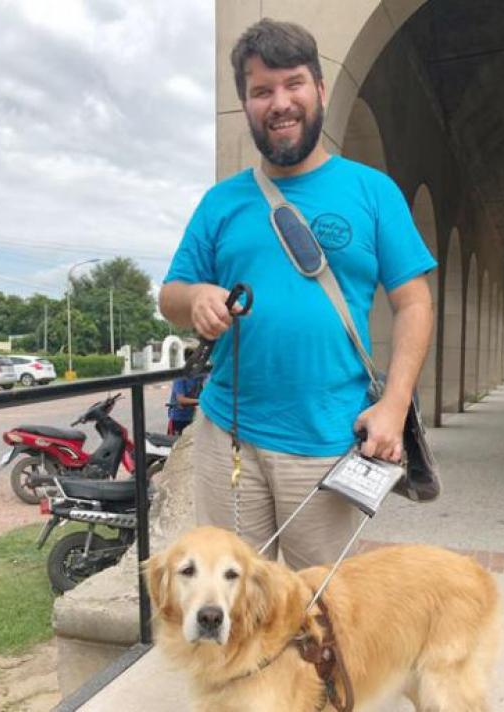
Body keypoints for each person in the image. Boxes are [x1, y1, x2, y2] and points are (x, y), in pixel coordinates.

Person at [158, 19, 436, 569]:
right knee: (234, 608)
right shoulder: (221, 202)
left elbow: (415, 303)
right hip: (229, 438)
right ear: (246, 104)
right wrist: (195, 300)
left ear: (319, 90)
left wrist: (394, 404)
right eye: (261, 91)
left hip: (328, 441)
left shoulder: (372, 192)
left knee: (320, 612)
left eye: (293, 84)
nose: (279, 102)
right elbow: (169, 295)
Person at [167, 349, 205, 436]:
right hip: (179, 418)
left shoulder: (201, 374)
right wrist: (200, 401)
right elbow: (181, 399)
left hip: (193, 417)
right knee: (177, 445)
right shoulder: (180, 376)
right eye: (199, 358)